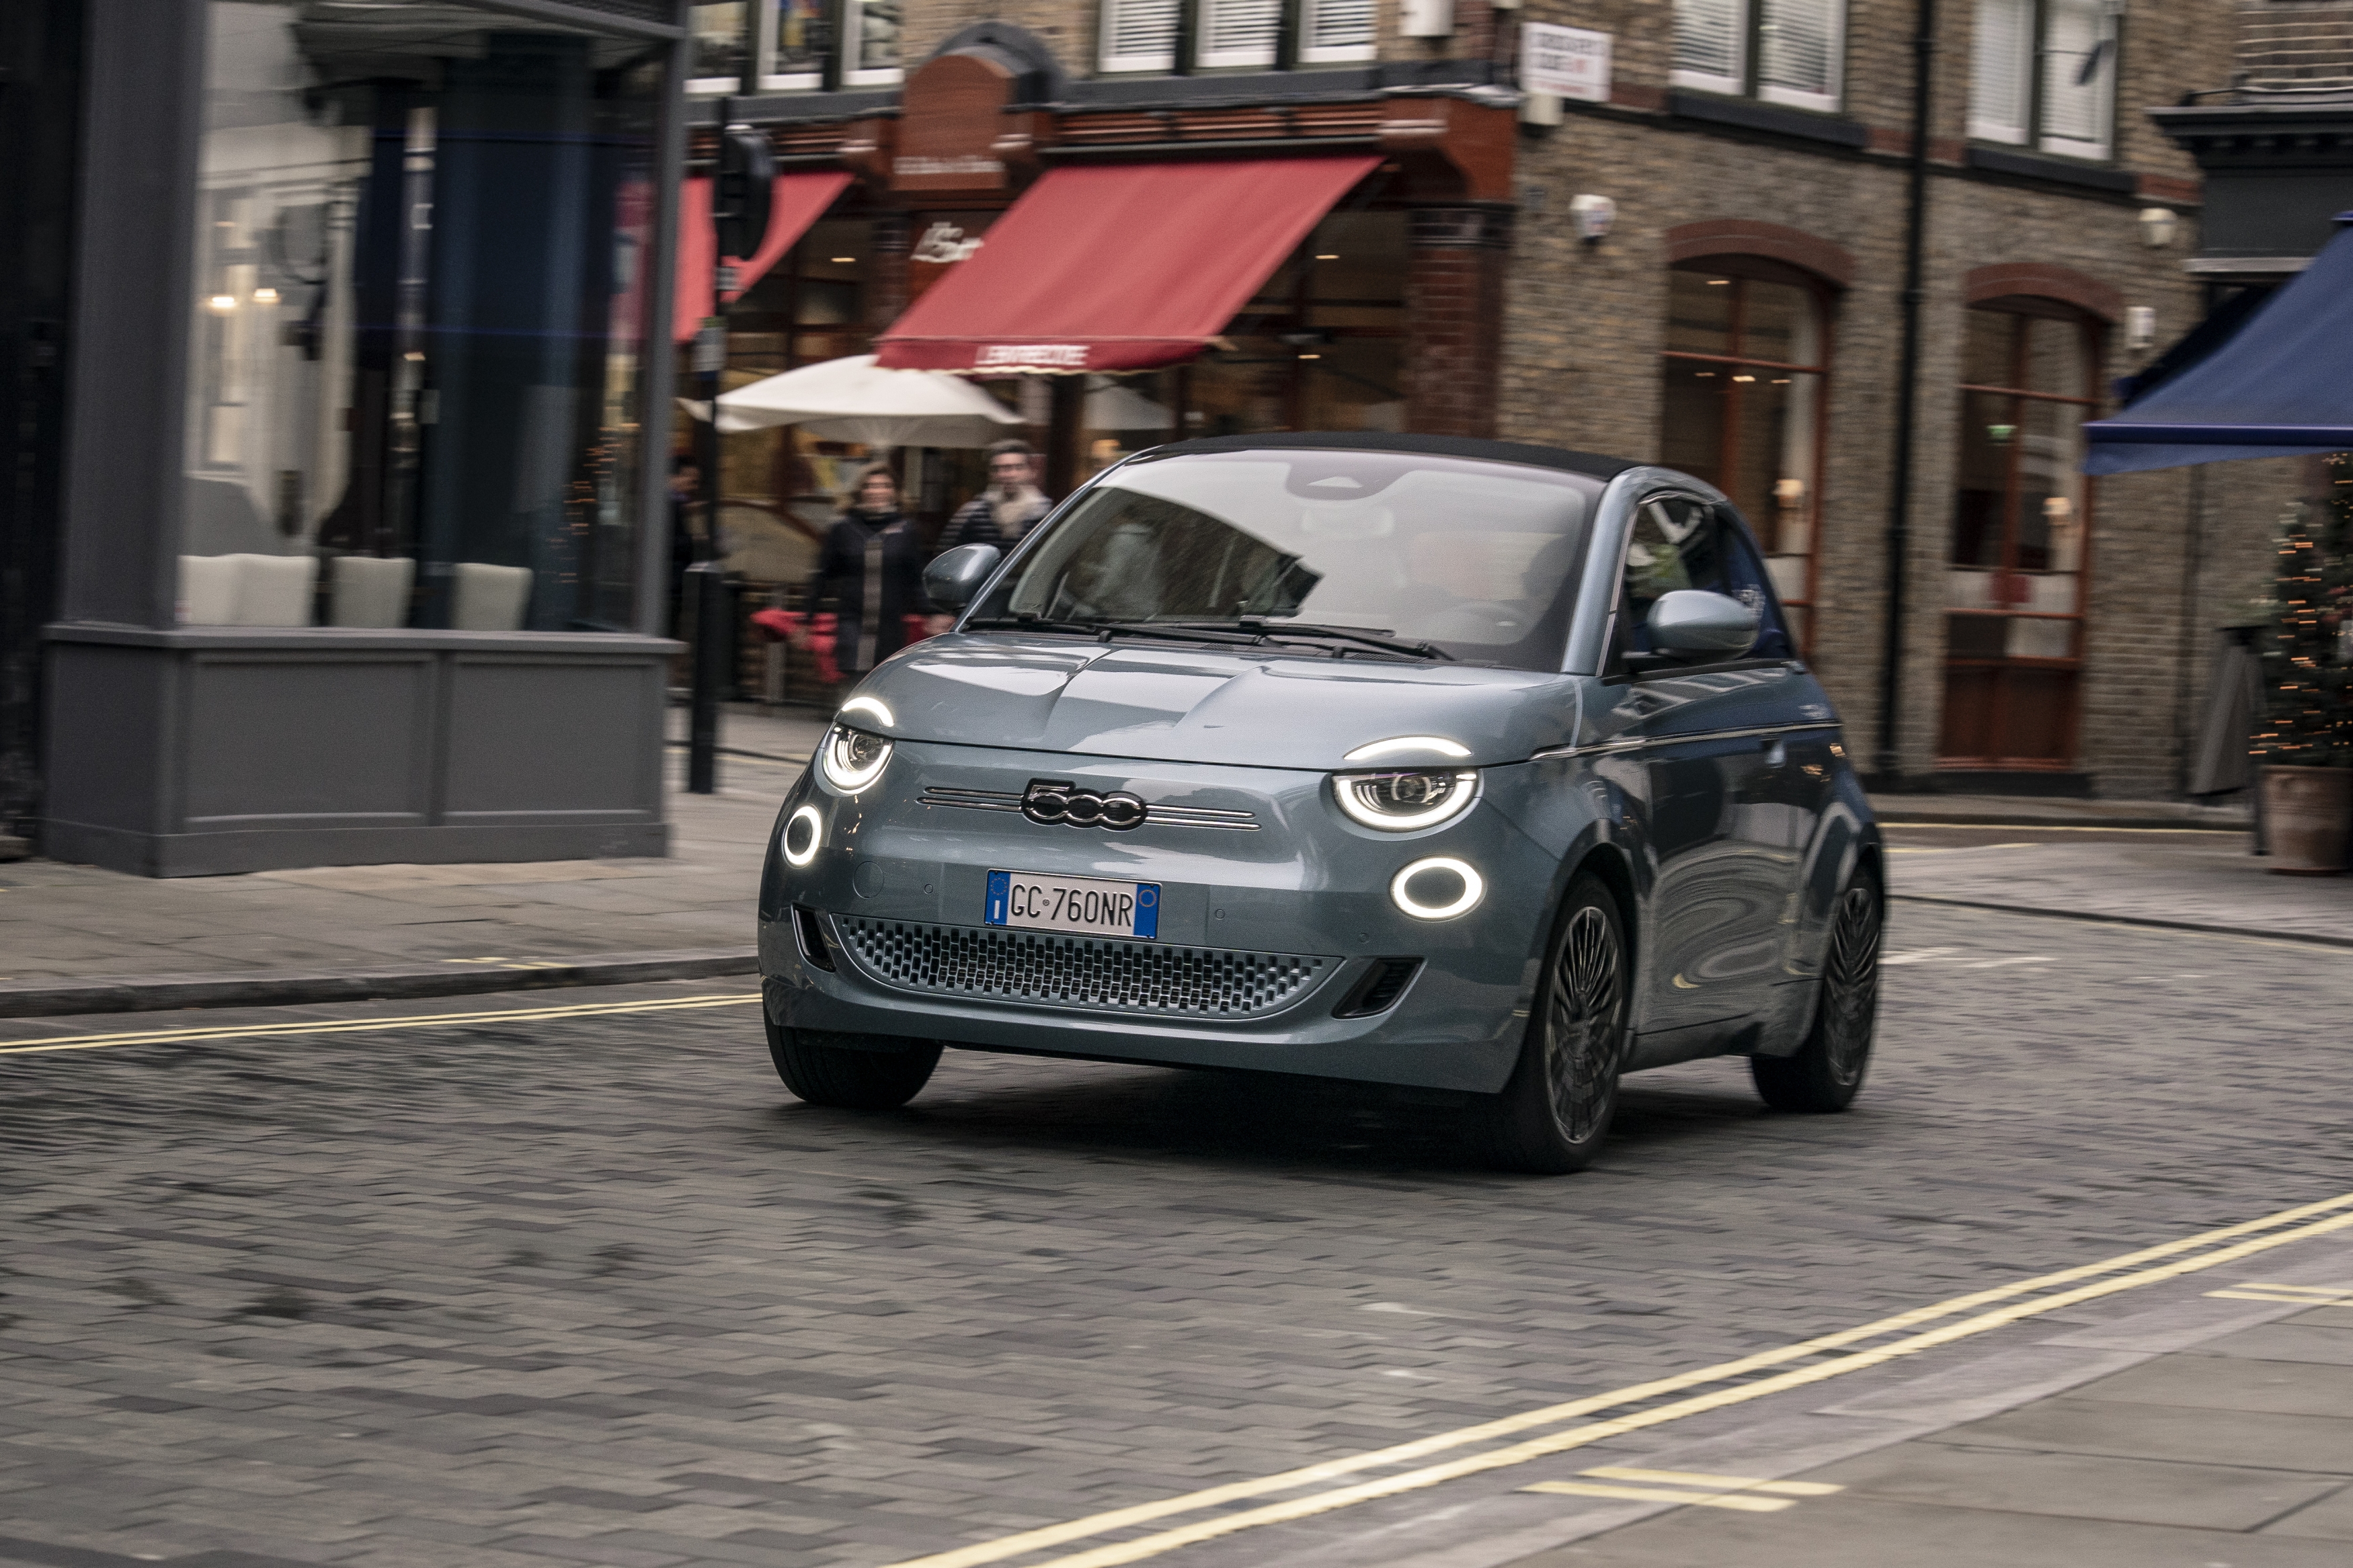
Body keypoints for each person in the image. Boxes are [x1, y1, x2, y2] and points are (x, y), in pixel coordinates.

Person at [804, 464, 928, 680]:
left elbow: (917, 577)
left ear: (894, 492)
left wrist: (931, 612)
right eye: (870, 486)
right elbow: (822, 576)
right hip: (852, 621)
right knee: (854, 682)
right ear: (860, 491)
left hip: (890, 625)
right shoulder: (843, 529)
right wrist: (806, 618)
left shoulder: (906, 530)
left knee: (884, 682)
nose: (876, 491)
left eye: (884, 486)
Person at [939, 440, 1052, 555]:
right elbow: (949, 557)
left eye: (1017, 468)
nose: (1008, 475)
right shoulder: (973, 515)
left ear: (1030, 472)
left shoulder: (1045, 515)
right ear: (991, 474)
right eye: (999, 469)